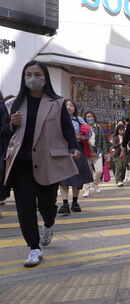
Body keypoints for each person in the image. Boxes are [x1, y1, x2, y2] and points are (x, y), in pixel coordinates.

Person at [3, 61, 80, 267]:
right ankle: (34, 248)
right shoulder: (13, 104)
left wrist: (73, 147)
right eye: (28, 74)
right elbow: (3, 133)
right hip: (21, 164)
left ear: (45, 78)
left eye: (37, 74)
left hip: (48, 161)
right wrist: (11, 124)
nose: (32, 78)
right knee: (25, 208)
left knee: (46, 205)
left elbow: (67, 128)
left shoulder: (57, 103)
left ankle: (49, 222)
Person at [58, 100, 93, 215]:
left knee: (77, 177)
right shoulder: (58, 119)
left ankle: (75, 202)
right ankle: (65, 203)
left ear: (74, 108)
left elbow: (88, 134)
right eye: (66, 105)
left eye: (71, 105)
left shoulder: (79, 120)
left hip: (77, 149)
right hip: (63, 149)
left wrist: (81, 137)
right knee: (64, 178)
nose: (69, 107)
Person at [82, 111, 106, 197]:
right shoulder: (83, 127)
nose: (89, 118)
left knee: (99, 171)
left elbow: (103, 140)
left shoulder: (98, 127)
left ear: (94, 117)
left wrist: (105, 152)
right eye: (88, 116)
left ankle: (95, 184)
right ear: (85, 118)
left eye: (91, 116)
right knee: (87, 172)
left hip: (97, 151)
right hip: (86, 152)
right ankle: (86, 190)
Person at [112, 122, 127, 186]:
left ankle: (122, 179)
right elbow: (114, 145)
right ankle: (118, 180)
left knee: (123, 167)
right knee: (119, 167)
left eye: (122, 130)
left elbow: (128, 144)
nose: (121, 131)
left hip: (125, 154)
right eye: (120, 130)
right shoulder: (115, 137)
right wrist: (120, 144)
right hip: (117, 154)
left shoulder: (125, 137)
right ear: (117, 130)